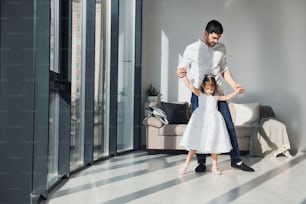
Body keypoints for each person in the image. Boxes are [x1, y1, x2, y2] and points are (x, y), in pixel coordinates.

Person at [177, 19, 254, 172]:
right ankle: (201, 163)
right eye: (213, 38)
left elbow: (225, 70)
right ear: (206, 33)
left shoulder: (221, 48)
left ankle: (236, 161)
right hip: (199, 95)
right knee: (200, 128)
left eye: (218, 38)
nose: (215, 41)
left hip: (217, 93)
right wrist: (180, 72)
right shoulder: (191, 49)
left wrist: (234, 85)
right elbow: (181, 69)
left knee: (229, 127)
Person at [179, 75, 241, 175]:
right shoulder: (200, 94)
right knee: (195, 143)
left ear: (214, 88)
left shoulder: (215, 96)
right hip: (201, 121)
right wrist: (184, 77)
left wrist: (236, 92)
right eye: (207, 89)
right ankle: (186, 165)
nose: (209, 91)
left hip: (213, 121)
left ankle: (215, 166)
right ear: (203, 86)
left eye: (212, 89)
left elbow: (226, 97)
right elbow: (190, 86)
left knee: (214, 143)